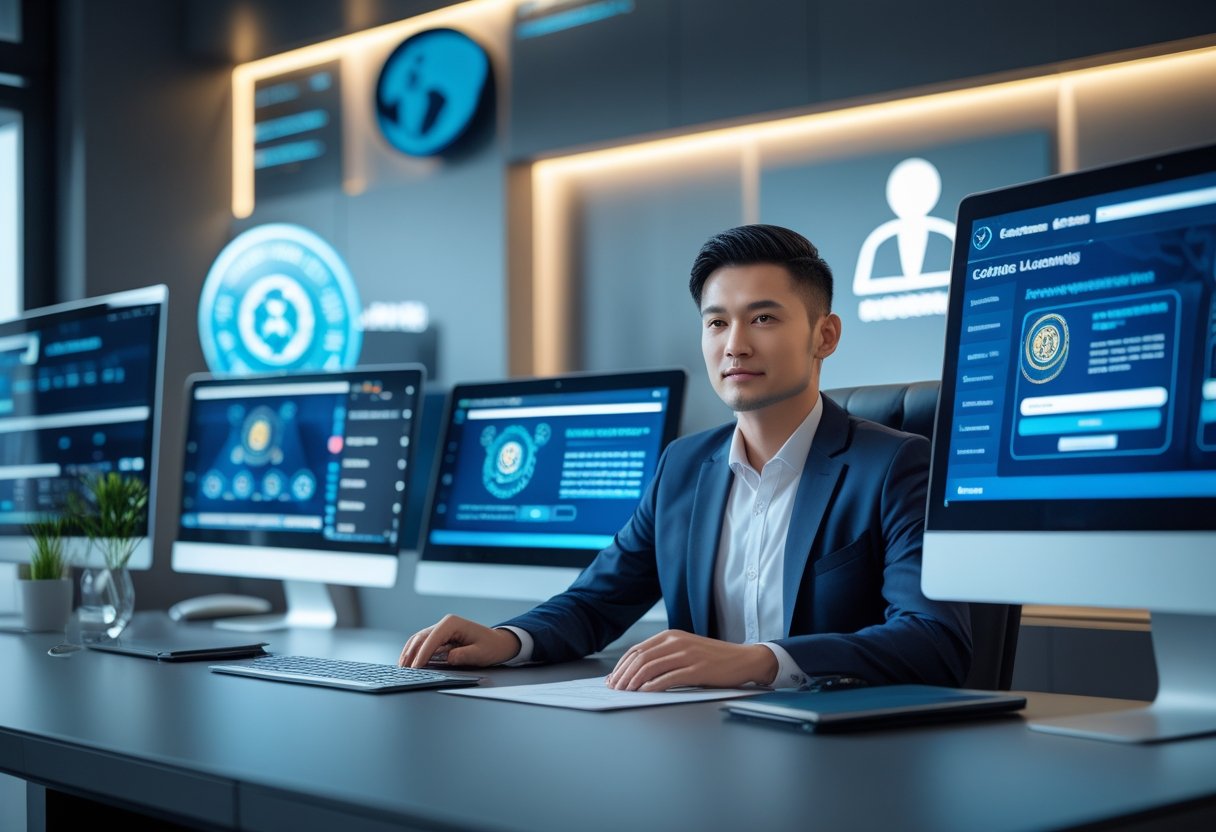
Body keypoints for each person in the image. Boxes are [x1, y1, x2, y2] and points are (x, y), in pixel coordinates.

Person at [400, 224, 971, 691]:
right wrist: (507, 640)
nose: (735, 344)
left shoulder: (897, 465)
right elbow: (596, 602)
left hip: (847, 757)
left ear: (825, 335)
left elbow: (933, 640)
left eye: (763, 318)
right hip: (703, 745)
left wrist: (760, 660)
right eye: (717, 322)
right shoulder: (684, 466)